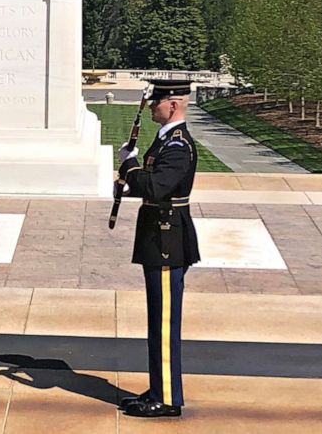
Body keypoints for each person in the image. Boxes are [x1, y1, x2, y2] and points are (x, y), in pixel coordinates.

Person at [115, 79, 200, 418]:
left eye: (157, 103)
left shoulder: (177, 146)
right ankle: (160, 387)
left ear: (174, 105)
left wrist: (129, 166)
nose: (152, 108)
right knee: (157, 321)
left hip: (167, 241)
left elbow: (156, 186)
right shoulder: (167, 140)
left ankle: (166, 399)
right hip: (160, 238)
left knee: (164, 323)